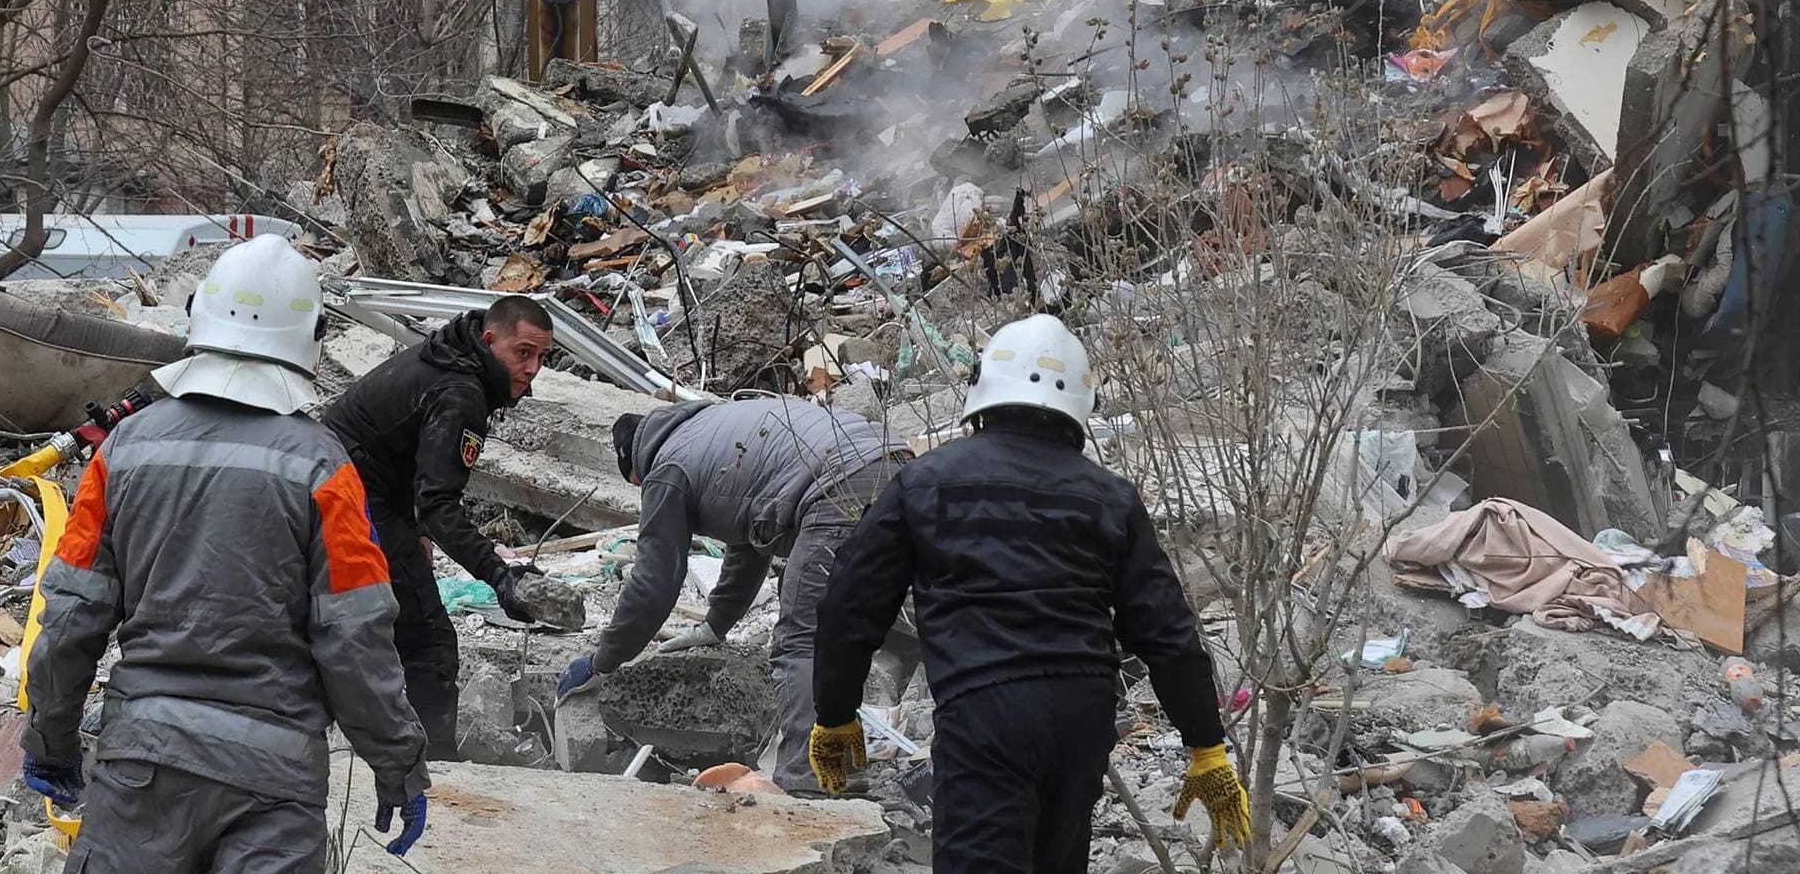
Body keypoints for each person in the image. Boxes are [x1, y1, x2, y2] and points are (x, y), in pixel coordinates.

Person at [22, 234, 430, 871]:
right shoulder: (324, 467)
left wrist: (52, 738)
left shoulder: (121, 451)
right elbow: (355, 640)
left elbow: (71, 616)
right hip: (275, 785)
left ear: (198, 316)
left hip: (142, 765)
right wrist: (397, 762)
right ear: (311, 335)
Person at [808, 315, 1250, 872]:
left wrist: (835, 712)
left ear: (983, 388)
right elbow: (1166, 631)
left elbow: (851, 604)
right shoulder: (1110, 498)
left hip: (985, 712)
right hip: (1084, 716)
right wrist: (1205, 745)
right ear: (1081, 403)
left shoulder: (925, 483)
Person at [556, 398, 911, 793]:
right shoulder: (711, 433)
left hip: (839, 484)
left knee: (801, 641)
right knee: (856, 628)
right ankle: (845, 761)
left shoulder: (665, 468)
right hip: (895, 461)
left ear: (635, 470)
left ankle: (805, 781)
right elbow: (749, 540)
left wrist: (600, 662)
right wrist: (716, 624)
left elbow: (654, 582)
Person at [323, 295, 557, 760]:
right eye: (523, 353)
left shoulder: (451, 353)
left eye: (541, 357)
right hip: (351, 496)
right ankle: (434, 771)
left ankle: (381, 739)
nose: (532, 369)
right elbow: (439, 503)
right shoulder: (461, 394)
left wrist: (417, 530)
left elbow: (408, 452)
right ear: (491, 341)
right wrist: (500, 576)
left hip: (344, 480)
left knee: (386, 621)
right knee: (429, 641)